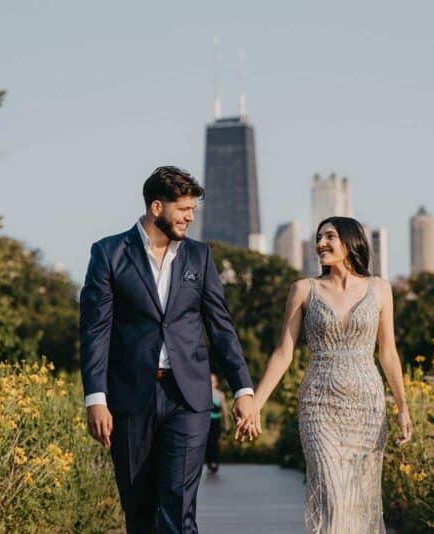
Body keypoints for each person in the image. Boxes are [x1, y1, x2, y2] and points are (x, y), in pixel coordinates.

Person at [79, 166, 257, 533]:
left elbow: (221, 328)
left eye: (193, 209)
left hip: (187, 399)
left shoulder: (199, 257)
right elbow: (96, 331)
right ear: (157, 207)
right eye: (183, 209)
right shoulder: (109, 253)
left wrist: (243, 389)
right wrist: (95, 398)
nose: (190, 217)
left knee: (177, 508)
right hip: (130, 399)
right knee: (139, 509)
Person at [238, 216, 412, 533]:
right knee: (331, 496)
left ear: (350, 241)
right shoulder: (304, 290)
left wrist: (402, 407)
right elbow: (283, 352)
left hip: (366, 408)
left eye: (329, 237)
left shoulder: (381, 290)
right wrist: (256, 404)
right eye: (319, 238)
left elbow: (388, 352)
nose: (321, 244)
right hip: (320, 406)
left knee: (359, 498)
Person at [205, 373, 230, 473]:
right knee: (206, 442)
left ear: (216, 383)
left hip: (216, 422)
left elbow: (225, 411)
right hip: (205, 422)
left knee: (214, 441)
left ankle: (215, 461)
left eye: (212, 381)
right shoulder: (204, 393)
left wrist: (227, 424)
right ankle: (209, 461)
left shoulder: (220, 395)